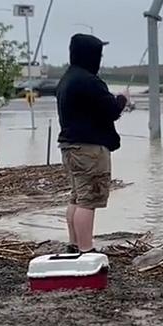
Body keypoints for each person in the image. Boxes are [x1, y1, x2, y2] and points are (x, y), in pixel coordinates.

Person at [56, 34, 129, 253]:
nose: (100, 58)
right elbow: (112, 110)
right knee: (88, 201)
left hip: (69, 148)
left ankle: (74, 244)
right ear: (91, 55)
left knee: (77, 197)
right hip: (89, 150)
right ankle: (86, 250)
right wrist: (123, 99)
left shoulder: (66, 79)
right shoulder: (89, 81)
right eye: (99, 54)